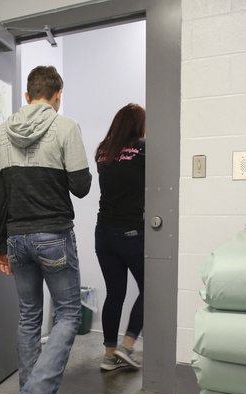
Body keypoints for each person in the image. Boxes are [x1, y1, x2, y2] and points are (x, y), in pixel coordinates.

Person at [0, 66, 91, 394]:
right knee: (67, 314)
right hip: (53, 235)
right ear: (58, 94)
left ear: (27, 95)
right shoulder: (66, 127)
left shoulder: (1, 134)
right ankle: (36, 391)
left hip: (16, 237)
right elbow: (81, 186)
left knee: (29, 317)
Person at [94, 103, 146, 372]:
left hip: (103, 233)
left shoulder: (103, 151)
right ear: (138, 124)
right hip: (132, 232)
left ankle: (109, 355)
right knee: (152, 289)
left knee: (115, 293)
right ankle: (127, 346)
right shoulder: (143, 149)